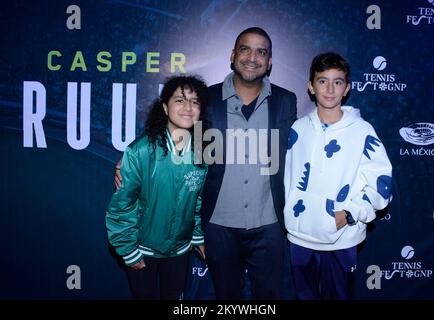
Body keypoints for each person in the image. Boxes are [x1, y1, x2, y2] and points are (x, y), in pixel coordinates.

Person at [283, 52, 393, 300]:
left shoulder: (362, 131)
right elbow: (287, 179)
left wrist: (349, 214)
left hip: (341, 239)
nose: (330, 89)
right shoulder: (298, 129)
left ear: (347, 88)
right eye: (322, 81)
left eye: (338, 81)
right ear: (311, 87)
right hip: (300, 237)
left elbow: (381, 182)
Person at [200, 27, 297, 299]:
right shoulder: (206, 99)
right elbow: (180, 142)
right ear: (233, 56)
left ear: (269, 62)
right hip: (219, 224)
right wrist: (135, 154)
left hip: (269, 223)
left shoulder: (286, 101)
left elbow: (301, 149)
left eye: (261, 52)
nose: (253, 57)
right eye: (245, 49)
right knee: (226, 297)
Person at [106, 75, 209, 300]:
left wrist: (197, 235)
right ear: (164, 107)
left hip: (180, 249)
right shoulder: (140, 151)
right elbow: (121, 207)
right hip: (143, 248)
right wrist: (129, 251)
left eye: (195, 101)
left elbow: (197, 201)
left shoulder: (202, 151)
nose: (188, 108)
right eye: (180, 100)